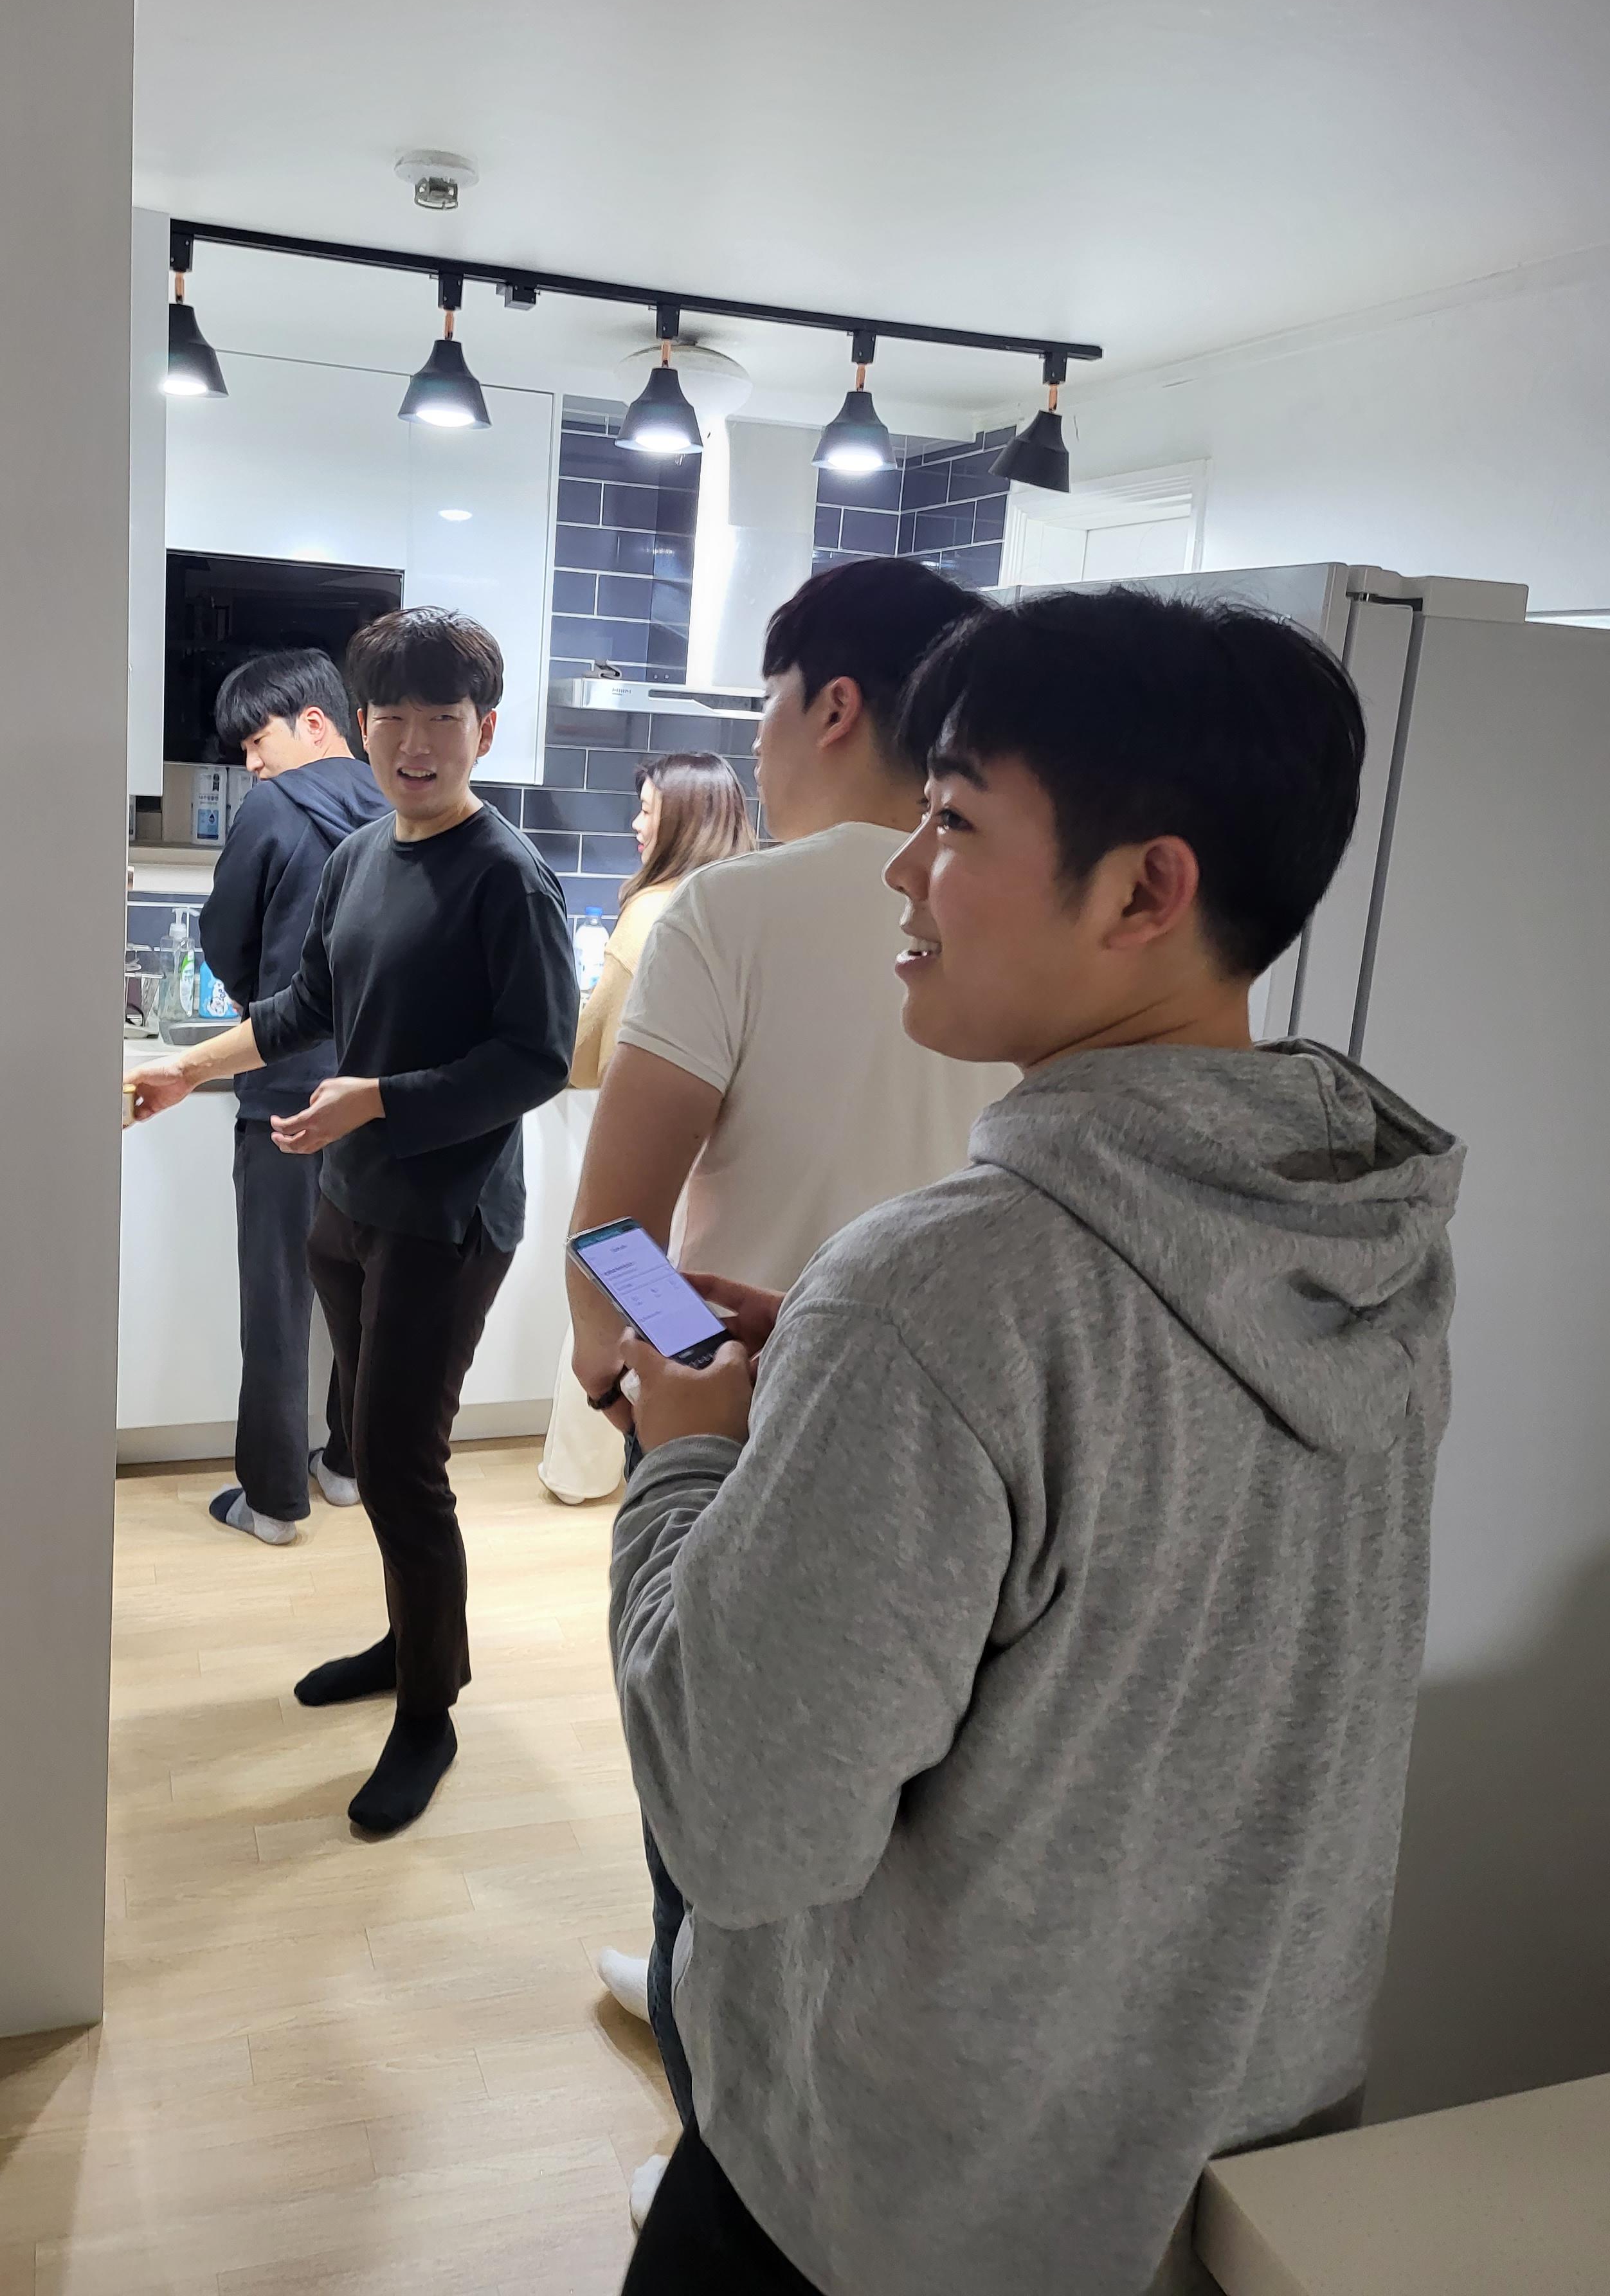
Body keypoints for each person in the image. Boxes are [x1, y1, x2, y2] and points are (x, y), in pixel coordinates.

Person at [608, 586, 1463, 2296]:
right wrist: (838, 1388)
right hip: (1213, 2164)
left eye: (951, 818)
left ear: (1147, 890)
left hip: (887, 2199)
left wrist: (692, 1451)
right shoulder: (1368, 1236)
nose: (901, 870)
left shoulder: (942, 1290)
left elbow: (741, 1822)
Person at [567, 558, 1014, 2218]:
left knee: (710, 1781)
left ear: (830, 703)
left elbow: (614, 1233)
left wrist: (658, 1373)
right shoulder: (1020, 921)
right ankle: (701, 2006)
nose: (753, 743)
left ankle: (717, 2154)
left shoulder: (729, 912)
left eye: (760, 705)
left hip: (747, 1423)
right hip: (972, 1436)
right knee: (884, 1815)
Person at [130, 608, 576, 1834]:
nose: (417, 743)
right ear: (360, 726)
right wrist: (187, 1070)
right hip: (350, 1203)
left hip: (447, 1216)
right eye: (395, 717)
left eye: (445, 719)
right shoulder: (361, 855)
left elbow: (537, 1059)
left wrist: (380, 1098)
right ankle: (404, 1643)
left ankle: (430, 1710)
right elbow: (303, 1007)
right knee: (374, 1459)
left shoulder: (509, 878)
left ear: (486, 730)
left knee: (400, 1464)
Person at [194, 647, 391, 1546]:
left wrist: (260, 1005)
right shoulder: (406, 804)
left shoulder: (272, 811)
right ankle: (347, 1465)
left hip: (283, 1088)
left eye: (256, 740)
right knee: (368, 1291)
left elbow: (224, 935)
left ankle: (274, 1500)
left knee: (277, 1295)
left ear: (315, 722)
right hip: (379, 1091)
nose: (251, 763)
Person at [539, 752, 754, 1506]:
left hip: (655, 1139)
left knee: (611, 1286)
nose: (636, 823)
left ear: (686, 820)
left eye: (649, 809)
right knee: (689, 1312)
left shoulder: (656, 910)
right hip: (726, 1157)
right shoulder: (748, 901)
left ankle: (588, 1470)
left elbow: (591, 1051)